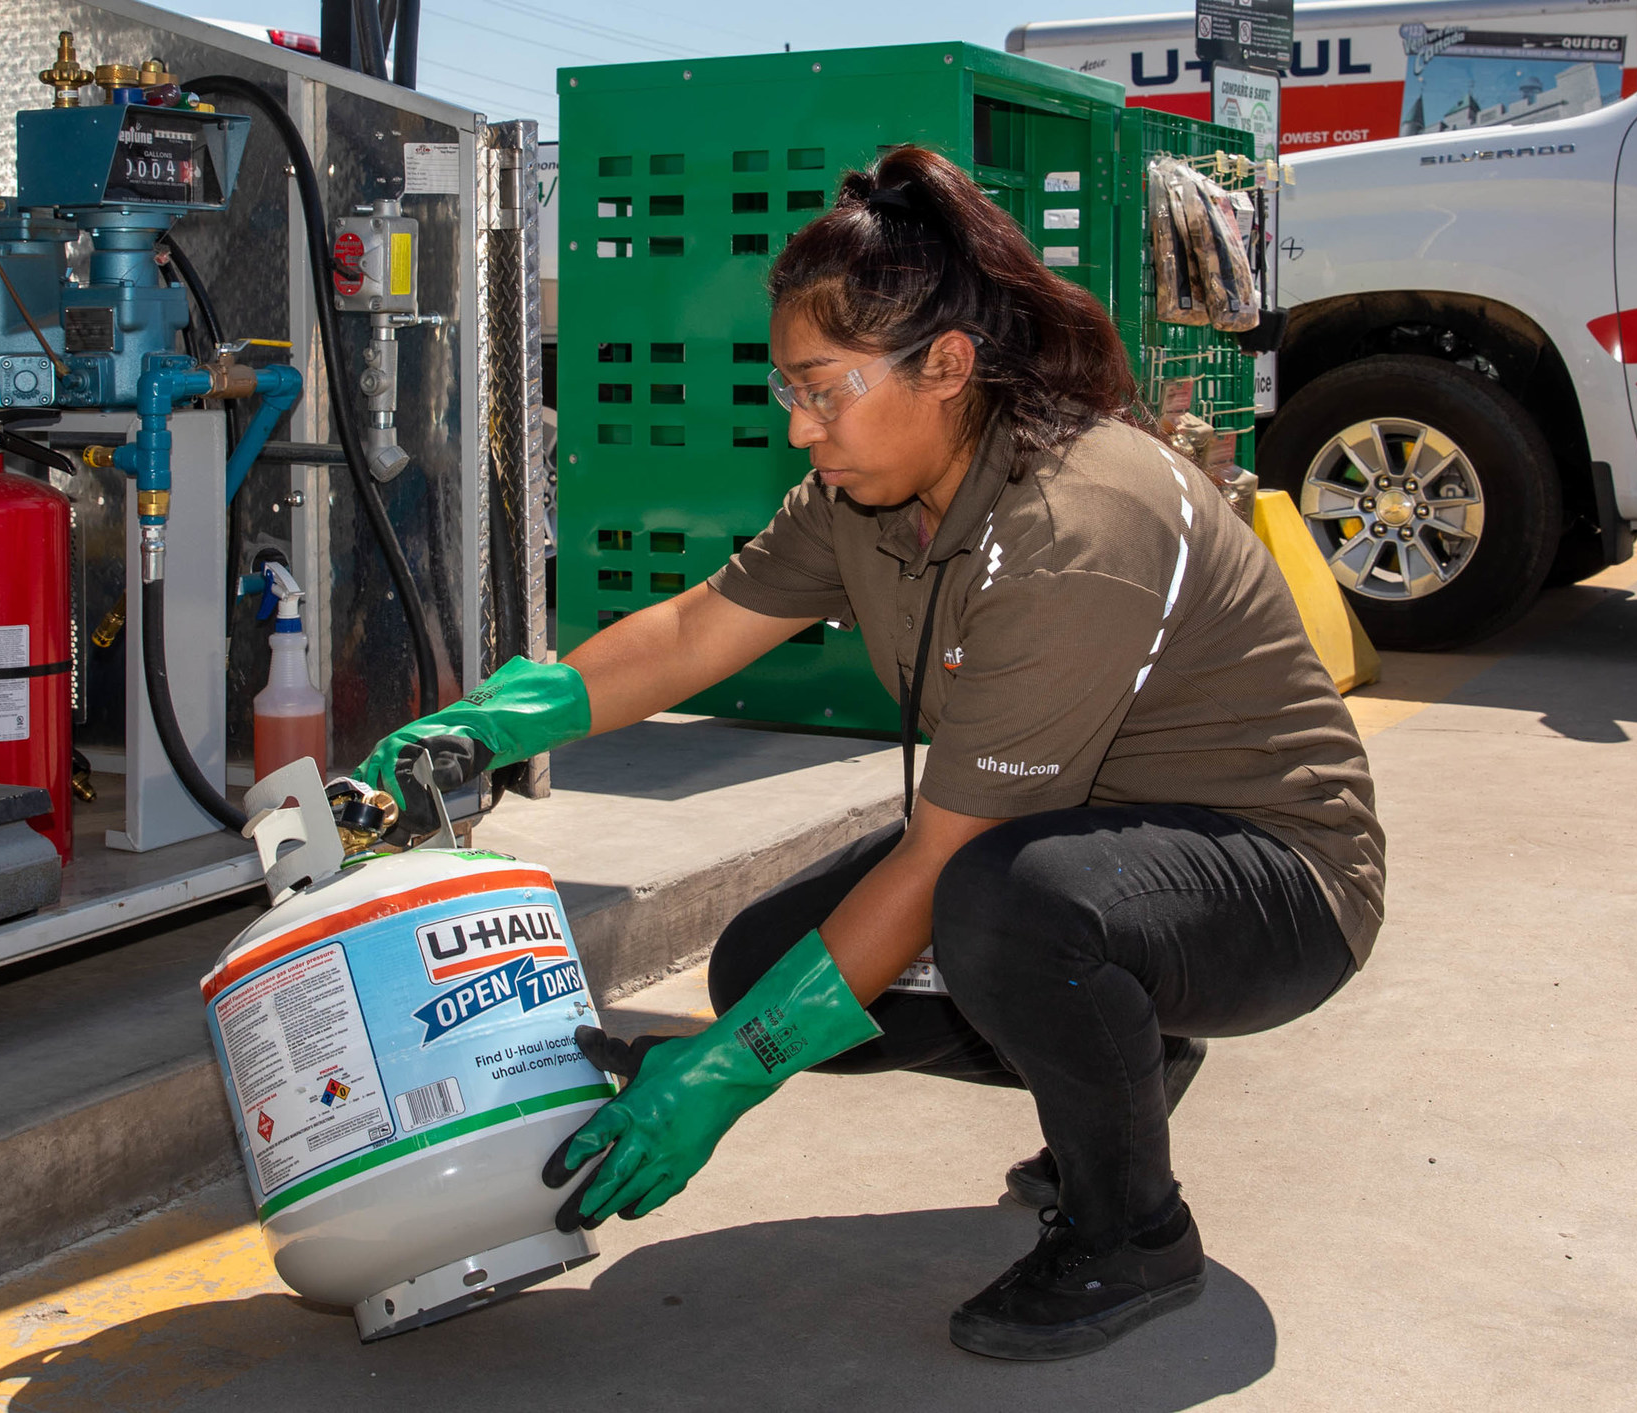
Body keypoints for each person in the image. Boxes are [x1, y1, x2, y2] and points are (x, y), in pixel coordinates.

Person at [357, 144, 1384, 1361]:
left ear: (946, 366)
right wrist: (510, 712)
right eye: (789, 390)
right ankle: (1133, 1054)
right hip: (1084, 843)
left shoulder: (1078, 518)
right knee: (761, 963)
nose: (801, 428)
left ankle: (1134, 1235)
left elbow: (951, 855)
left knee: (1007, 907)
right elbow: (701, 627)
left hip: (1276, 877)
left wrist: (730, 1077)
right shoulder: (871, 491)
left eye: (824, 388)